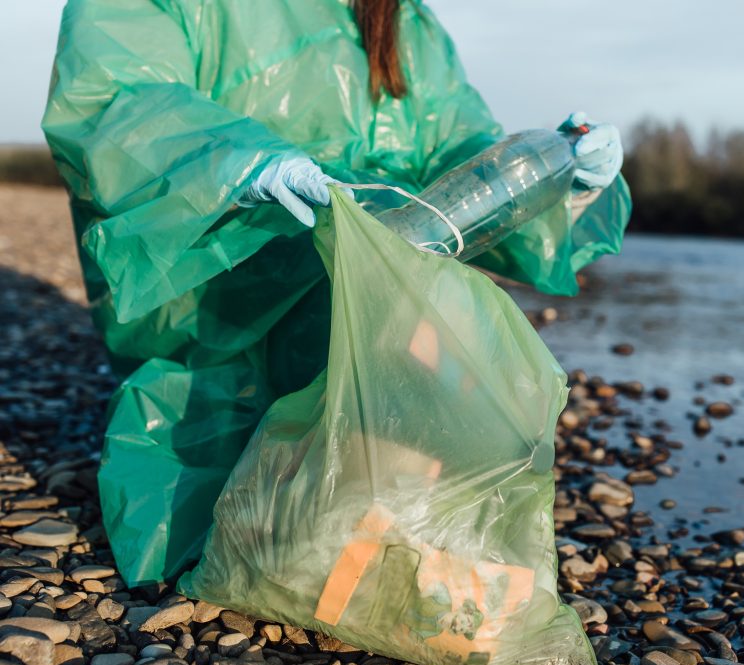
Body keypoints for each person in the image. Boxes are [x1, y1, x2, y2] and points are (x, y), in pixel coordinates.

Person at [43, 0, 631, 586]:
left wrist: (563, 185)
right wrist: (239, 167)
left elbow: (460, 173)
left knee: (479, 409)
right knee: (260, 499)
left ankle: (359, 496)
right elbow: (112, 100)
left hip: (376, 292)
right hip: (218, 294)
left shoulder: (406, 23)